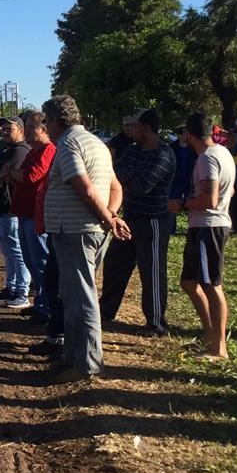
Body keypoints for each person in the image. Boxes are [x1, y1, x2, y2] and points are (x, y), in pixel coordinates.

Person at [41, 95, 130, 383]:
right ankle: (72, 357)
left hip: (76, 231)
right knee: (74, 295)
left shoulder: (68, 144)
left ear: (55, 121)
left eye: (46, 121)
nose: (46, 127)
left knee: (81, 298)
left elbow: (86, 189)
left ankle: (87, 364)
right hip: (90, 230)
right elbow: (115, 187)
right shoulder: (97, 144)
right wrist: (112, 216)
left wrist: (106, 217)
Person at [99, 108, 177, 336]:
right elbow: (116, 174)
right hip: (130, 217)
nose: (130, 130)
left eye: (135, 126)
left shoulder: (164, 154)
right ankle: (105, 312)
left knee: (151, 270)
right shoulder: (133, 149)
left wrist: (128, 177)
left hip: (153, 220)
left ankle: (156, 323)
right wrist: (129, 176)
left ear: (147, 128)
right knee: (115, 264)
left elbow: (144, 184)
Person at [170, 113, 235, 360]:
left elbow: (210, 199)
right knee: (189, 282)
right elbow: (231, 189)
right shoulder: (221, 153)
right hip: (202, 226)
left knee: (211, 284)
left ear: (189, 133)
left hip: (210, 226)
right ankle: (210, 335)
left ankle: (219, 349)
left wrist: (183, 204)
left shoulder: (208, 158)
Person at [0, 116, 32, 309]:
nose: (4, 132)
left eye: (9, 129)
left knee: (17, 252)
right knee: (8, 253)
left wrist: (2, 170)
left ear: (20, 130)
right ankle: (11, 287)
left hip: (10, 210)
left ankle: (22, 291)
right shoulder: (5, 149)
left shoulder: (20, 151)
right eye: (2, 129)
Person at [10, 110, 55, 320]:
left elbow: (31, 175)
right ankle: (40, 302)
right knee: (31, 261)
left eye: (31, 127)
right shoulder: (32, 151)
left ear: (44, 129)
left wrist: (11, 173)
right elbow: (20, 172)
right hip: (24, 213)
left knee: (41, 262)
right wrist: (14, 173)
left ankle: (46, 306)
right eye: (25, 127)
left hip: (36, 216)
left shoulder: (48, 150)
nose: (26, 131)